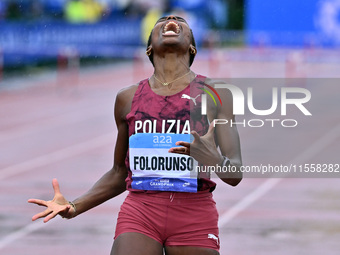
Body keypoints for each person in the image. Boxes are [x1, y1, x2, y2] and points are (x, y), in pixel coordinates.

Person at [28, 15, 243, 255]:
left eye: (179, 20)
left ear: (192, 46)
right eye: (162, 20)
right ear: (150, 47)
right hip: (141, 210)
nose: (171, 19)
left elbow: (235, 173)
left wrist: (212, 158)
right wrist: (74, 206)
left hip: (194, 213)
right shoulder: (127, 99)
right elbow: (120, 172)